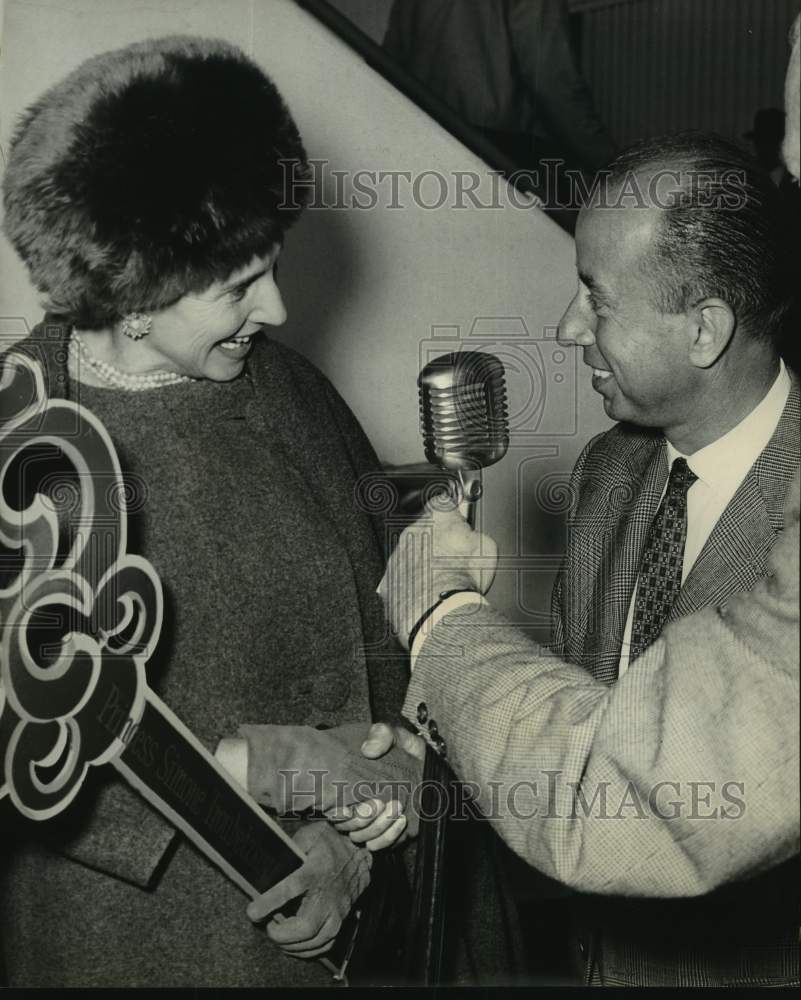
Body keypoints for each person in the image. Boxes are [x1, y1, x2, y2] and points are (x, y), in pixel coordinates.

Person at [237, 131, 799, 987]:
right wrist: (381, 803)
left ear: (703, 330)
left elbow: (639, 792)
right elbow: (562, 734)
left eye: (596, 298)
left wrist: (440, 613)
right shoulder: (610, 472)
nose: (568, 328)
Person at [0, 35, 409, 988]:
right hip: (124, 940)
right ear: (136, 296)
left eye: (273, 266)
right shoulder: (25, 438)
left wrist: (362, 829)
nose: (277, 308)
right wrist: (258, 778)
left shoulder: (294, 391)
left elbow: (392, 628)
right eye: (237, 287)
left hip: (338, 925)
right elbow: (27, 750)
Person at [383, 0, 615, 182]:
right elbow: (552, 81)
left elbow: (389, 70)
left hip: (428, 145)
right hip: (499, 149)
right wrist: (610, 164)